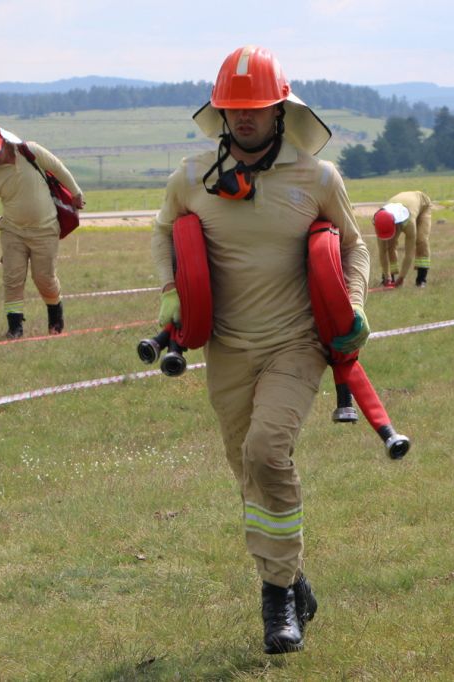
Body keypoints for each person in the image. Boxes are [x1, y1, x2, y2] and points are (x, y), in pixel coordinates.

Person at [151, 46, 370, 654]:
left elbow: (353, 248)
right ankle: (293, 579)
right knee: (248, 471)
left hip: (296, 343)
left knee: (267, 451)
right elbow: (164, 230)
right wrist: (170, 290)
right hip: (227, 349)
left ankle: (275, 605)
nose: (243, 119)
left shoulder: (318, 178)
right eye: (232, 109)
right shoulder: (192, 176)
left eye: (254, 108)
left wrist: (353, 306)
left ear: (280, 109)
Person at [0, 122, 85, 339]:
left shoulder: (30, 151)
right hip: (13, 232)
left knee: (44, 278)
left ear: (4, 142)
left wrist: (76, 192)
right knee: (12, 278)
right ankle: (15, 328)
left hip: (46, 229)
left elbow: (57, 168)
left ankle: (56, 319)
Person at [372, 191, 433, 288]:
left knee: (421, 240)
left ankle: (421, 280)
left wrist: (402, 276)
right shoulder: (379, 220)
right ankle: (389, 278)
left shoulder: (409, 223)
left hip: (423, 204)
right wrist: (386, 275)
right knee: (389, 244)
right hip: (401, 203)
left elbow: (409, 253)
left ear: (395, 224)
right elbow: (382, 252)